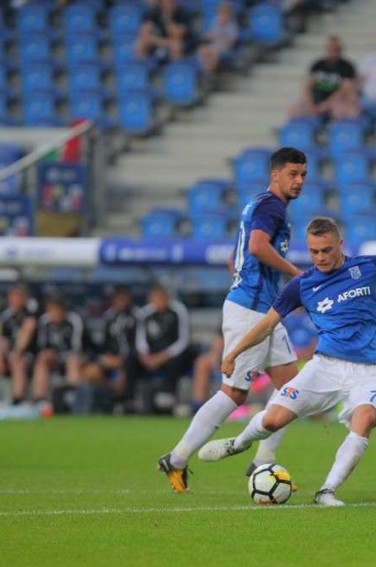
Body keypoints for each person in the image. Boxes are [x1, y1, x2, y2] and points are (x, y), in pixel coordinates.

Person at [196, 216, 376, 506]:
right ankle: (239, 443)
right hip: (324, 367)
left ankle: (327, 491)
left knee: (365, 421)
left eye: (327, 250)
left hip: (368, 371)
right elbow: (266, 325)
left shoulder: (369, 266)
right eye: (314, 251)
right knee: (273, 420)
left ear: (340, 244)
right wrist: (234, 352)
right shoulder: (302, 285)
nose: (321, 257)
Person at [158, 147, 307, 493]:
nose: (299, 181)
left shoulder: (259, 204)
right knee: (234, 394)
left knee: (293, 391)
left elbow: (235, 256)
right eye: (292, 174)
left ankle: (263, 463)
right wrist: (296, 274)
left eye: (303, 175)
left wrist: (250, 281)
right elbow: (255, 247)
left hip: (262, 308)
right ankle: (177, 458)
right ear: (275, 175)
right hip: (251, 310)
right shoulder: (271, 206)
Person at [131, 283, 194, 413]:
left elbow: (183, 340)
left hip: (173, 354)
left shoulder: (179, 311)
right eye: (155, 299)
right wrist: (145, 356)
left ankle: (169, 397)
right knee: (130, 360)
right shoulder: (144, 314)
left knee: (177, 361)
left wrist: (163, 356)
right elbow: (140, 340)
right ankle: (130, 399)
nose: (159, 302)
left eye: (161, 298)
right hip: (152, 355)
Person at [0, 283, 38, 408]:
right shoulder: (7, 316)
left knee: (17, 362)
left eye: (18, 296)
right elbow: (3, 341)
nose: (14, 299)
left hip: (29, 356)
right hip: (10, 356)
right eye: (12, 296)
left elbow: (27, 333)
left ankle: (17, 400)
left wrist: (16, 353)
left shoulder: (31, 314)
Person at [81, 285, 139, 412]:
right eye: (118, 298)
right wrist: (104, 356)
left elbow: (140, 343)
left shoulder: (138, 316)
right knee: (92, 371)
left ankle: (123, 401)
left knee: (127, 369)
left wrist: (123, 359)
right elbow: (104, 343)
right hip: (111, 358)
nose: (120, 301)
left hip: (132, 360)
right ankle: (106, 398)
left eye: (123, 298)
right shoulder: (109, 317)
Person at [30, 294, 85, 413]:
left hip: (72, 357)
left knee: (73, 360)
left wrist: (61, 355)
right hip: (53, 359)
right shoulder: (45, 321)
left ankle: (72, 398)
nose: (55, 314)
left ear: (64, 310)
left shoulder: (74, 320)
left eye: (57, 310)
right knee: (42, 360)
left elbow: (77, 347)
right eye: (52, 310)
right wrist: (50, 354)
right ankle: (40, 400)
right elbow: (42, 346)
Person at [288, 35, 359, 121]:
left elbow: (346, 89)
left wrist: (326, 105)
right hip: (316, 101)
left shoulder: (347, 67)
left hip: (337, 102)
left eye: (336, 49)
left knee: (343, 111)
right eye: (330, 49)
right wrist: (310, 105)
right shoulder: (317, 65)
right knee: (293, 110)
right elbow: (307, 86)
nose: (333, 52)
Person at [197, 1, 239, 73]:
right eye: (221, 13)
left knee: (214, 51)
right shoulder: (214, 22)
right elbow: (207, 36)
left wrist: (218, 36)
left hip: (225, 47)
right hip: (213, 45)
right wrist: (212, 36)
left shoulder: (232, 25)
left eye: (226, 13)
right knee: (202, 49)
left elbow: (232, 41)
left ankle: (211, 72)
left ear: (229, 15)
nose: (223, 15)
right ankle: (205, 70)